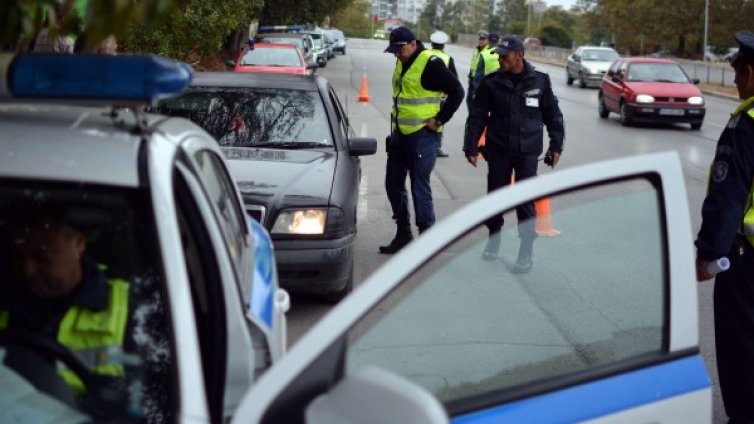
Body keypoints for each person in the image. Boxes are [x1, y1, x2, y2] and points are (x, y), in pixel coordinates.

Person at [0, 205, 131, 397]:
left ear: (78, 243)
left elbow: (145, 396)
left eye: (41, 256)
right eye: (19, 257)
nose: (27, 270)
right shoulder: (4, 298)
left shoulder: (130, 308)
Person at [462, 34, 564, 272]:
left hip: (527, 151)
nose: (500, 60)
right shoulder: (491, 82)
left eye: (504, 56)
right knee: (496, 197)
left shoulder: (540, 81)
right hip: (498, 149)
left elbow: (553, 116)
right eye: (498, 55)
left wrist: (556, 146)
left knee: (525, 201)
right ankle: (493, 241)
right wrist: (471, 145)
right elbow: (477, 117)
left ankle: (525, 251)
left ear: (520, 55)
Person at [695, 30, 754, 423]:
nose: (733, 81)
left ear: (749, 72)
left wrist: (709, 254)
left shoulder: (747, 123)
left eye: (735, 73)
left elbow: (728, 196)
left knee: (742, 352)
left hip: (747, 266)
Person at [379, 27, 464, 254]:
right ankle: (404, 233)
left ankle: (427, 239)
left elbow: (457, 91)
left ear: (413, 43)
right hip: (400, 134)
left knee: (419, 184)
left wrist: (439, 119)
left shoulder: (431, 63)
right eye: (394, 51)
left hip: (422, 136)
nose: (397, 54)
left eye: (400, 50)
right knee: (393, 184)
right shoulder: (401, 61)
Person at [428, 30, 458, 158]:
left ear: (431, 43)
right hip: (439, 97)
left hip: (421, 96)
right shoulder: (447, 59)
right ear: (444, 45)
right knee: (438, 122)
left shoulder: (423, 55)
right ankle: (436, 147)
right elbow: (454, 80)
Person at [466, 31, 489, 111]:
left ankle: (475, 119)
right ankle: (471, 118)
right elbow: (473, 63)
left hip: (481, 79)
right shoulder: (476, 49)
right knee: (469, 100)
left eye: (483, 39)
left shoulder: (487, 51)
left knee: (478, 102)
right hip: (473, 78)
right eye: (480, 39)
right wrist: (470, 75)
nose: (481, 41)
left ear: (487, 40)